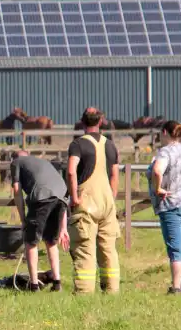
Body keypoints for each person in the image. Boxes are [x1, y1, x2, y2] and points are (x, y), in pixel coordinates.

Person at [66, 106, 121, 294]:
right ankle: (112, 291)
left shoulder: (78, 144)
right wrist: (112, 196)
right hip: (107, 202)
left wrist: (74, 197)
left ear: (82, 122)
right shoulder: (111, 145)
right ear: (100, 122)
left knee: (84, 248)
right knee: (108, 250)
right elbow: (115, 173)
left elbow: (72, 170)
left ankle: (84, 292)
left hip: (86, 202)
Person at [148, 120, 181, 294]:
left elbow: (157, 170)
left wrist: (158, 188)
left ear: (165, 132)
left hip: (171, 203)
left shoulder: (165, 152)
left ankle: (176, 287)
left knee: (175, 248)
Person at [10, 150, 70, 292]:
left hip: (42, 197)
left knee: (31, 242)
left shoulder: (15, 162)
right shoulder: (42, 162)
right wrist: (63, 228)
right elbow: (61, 196)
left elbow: (17, 191)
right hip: (62, 197)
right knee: (51, 241)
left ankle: (34, 285)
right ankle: (57, 283)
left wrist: (23, 219)